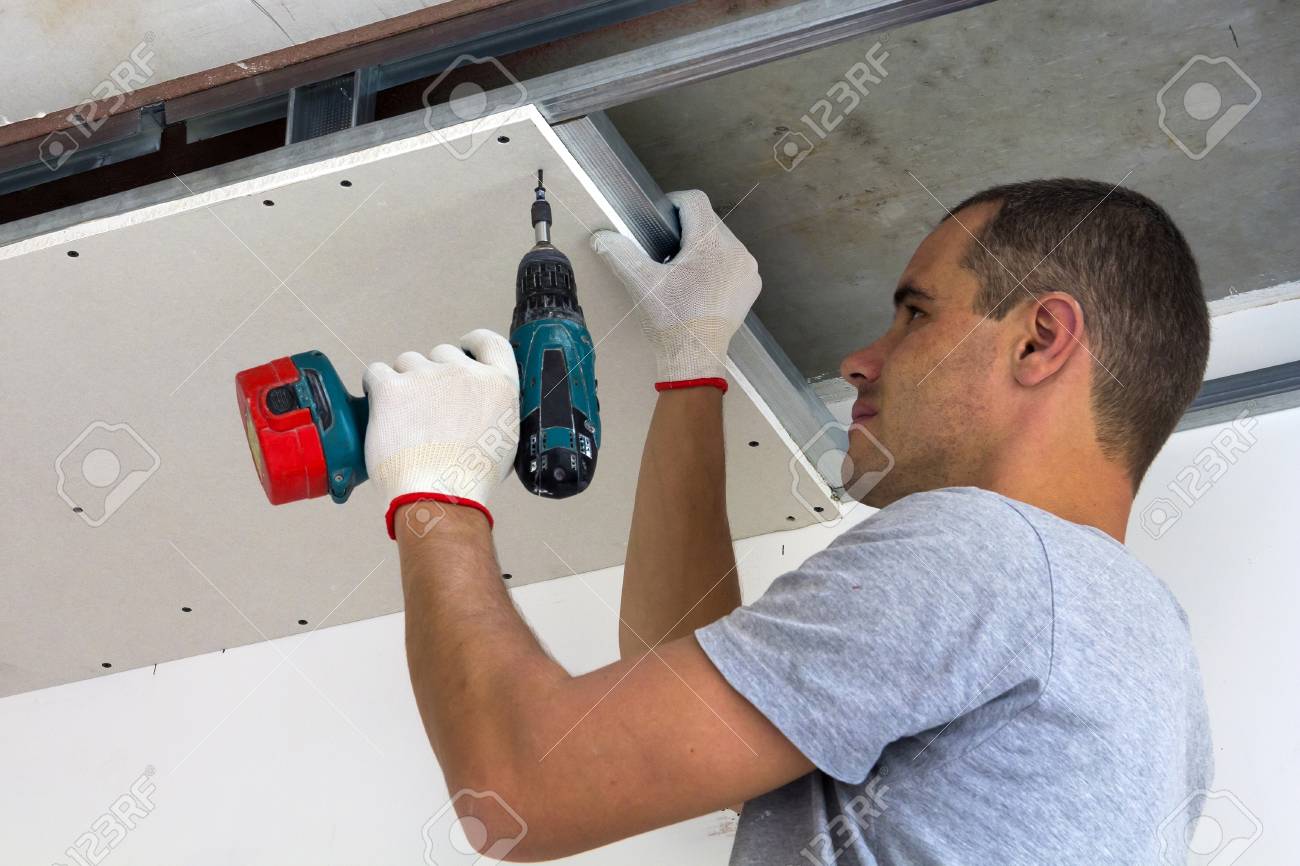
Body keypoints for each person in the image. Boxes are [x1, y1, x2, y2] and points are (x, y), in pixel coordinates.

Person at [362, 180, 1213, 864]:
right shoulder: (1144, 652)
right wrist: (691, 364)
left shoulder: (984, 551)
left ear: (1040, 340)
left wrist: (438, 491)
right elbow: (680, 696)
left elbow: (520, 791)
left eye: (916, 313)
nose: (860, 360)